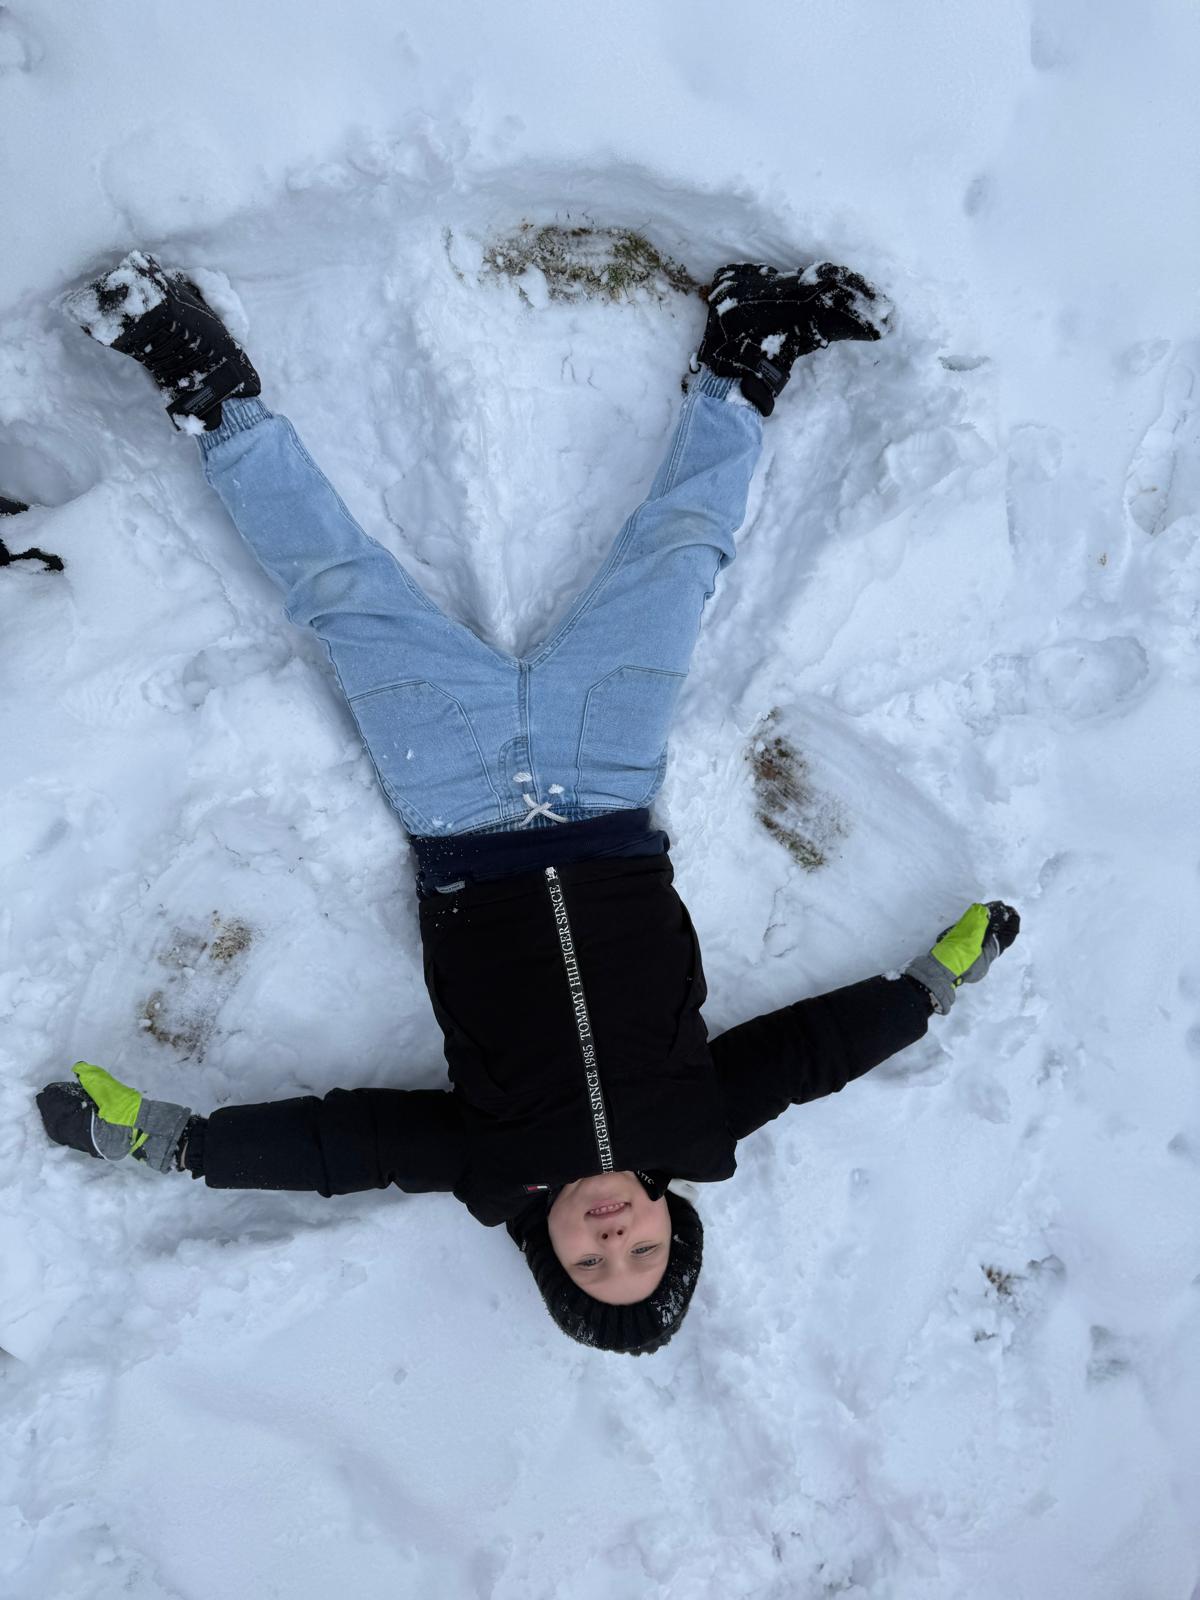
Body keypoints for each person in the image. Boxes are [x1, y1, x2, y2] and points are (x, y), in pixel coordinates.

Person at [36, 250, 1020, 1356]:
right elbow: (812, 1056)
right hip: (606, 782)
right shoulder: (700, 1124)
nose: (614, 1238)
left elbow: (342, 1148)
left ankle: (203, 380)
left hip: (455, 798)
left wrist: (173, 1143)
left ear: (545, 1248)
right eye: (643, 1251)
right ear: (672, 1220)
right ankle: (749, 351)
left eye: (591, 1263)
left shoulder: (487, 1162)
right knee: (678, 564)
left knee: (342, 590)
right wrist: (929, 988)